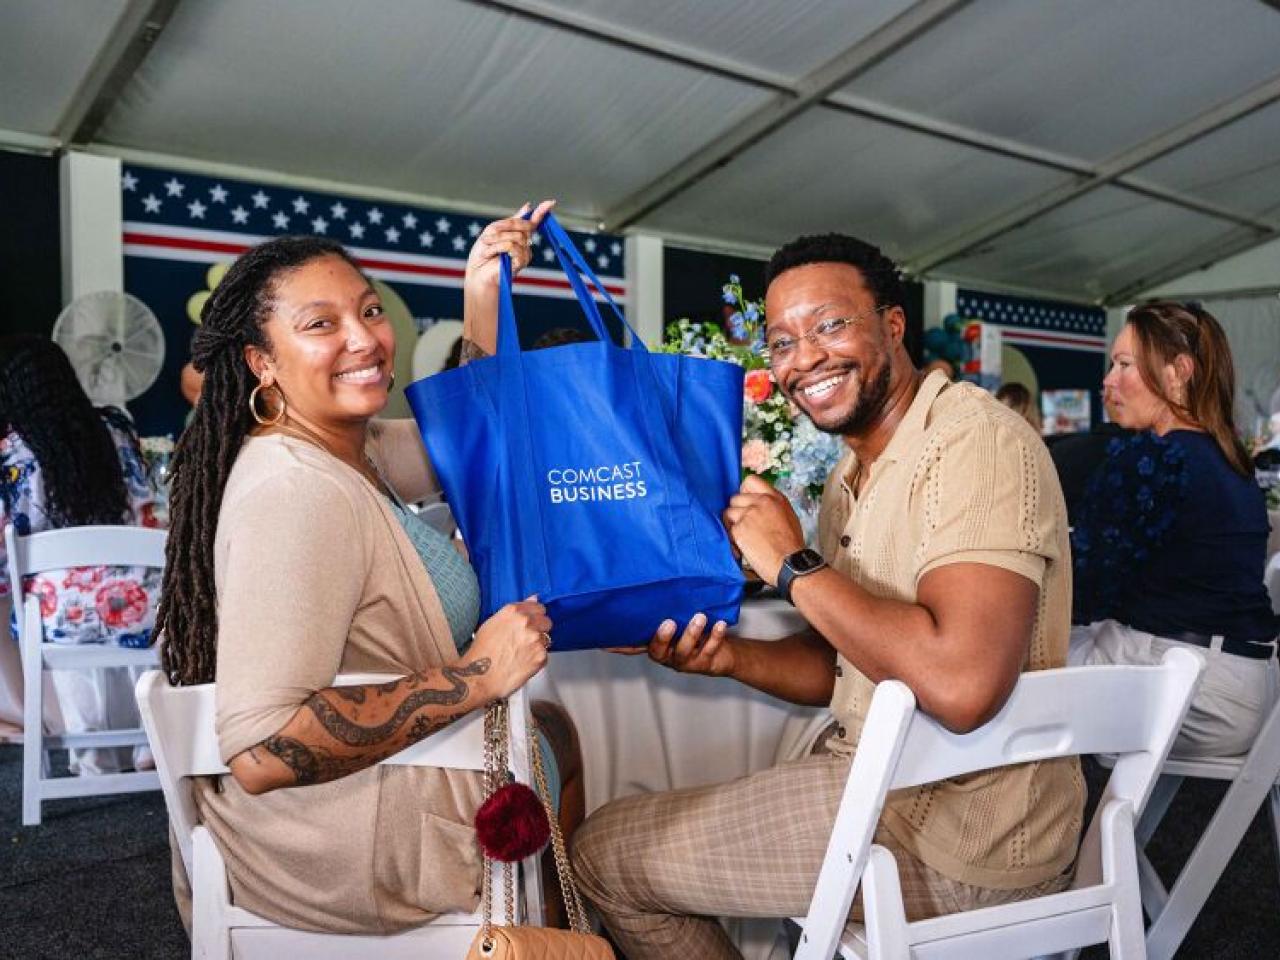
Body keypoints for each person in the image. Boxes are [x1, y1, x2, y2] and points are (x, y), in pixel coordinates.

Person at [571, 234, 1083, 958]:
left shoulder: (976, 443)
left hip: (959, 838)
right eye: (781, 342)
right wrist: (722, 659)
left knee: (601, 856)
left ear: (893, 325)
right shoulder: (855, 473)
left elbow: (962, 684)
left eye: (830, 325)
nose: (803, 357)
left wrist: (791, 562)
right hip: (890, 788)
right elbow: (845, 664)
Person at [154, 201, 584, 933]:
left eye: (370, 311)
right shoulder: (296, 489)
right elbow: (260, 752)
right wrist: (477, 676)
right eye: (321, 324)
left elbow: (467, 435)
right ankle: (547, 934)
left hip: (362, 797)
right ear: (260, 359)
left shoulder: (348, 449)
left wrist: (482, 290)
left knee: (559, 729)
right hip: (334, 839)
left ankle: (551, 931)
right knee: (570, 744)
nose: (366, 339)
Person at [1069, 302, 1278, 758]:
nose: (1108, 380)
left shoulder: (1153, 459)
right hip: (1248, 689)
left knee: (1004, 678)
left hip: (1195, 687)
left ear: (1178, 371)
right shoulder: (1231, 461)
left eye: (1124, 365)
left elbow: (1083, 589)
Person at [0, 336, 161, 768]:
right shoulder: (117, 427)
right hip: (143, 601)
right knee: (132, 590)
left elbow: (7, 551)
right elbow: (147, 510)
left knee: (47, 600)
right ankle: (151, 733)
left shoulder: (12, 453)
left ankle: (93, 750)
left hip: (62, 613)